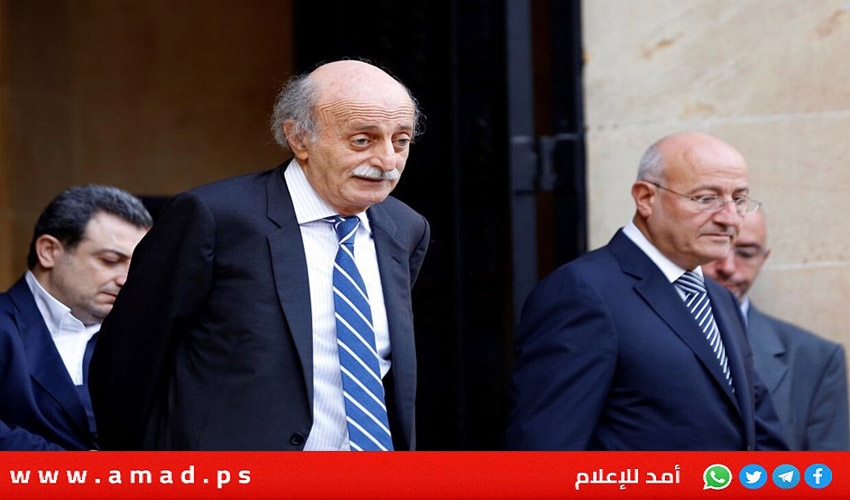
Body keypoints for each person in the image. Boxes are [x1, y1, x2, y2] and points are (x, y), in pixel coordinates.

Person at [89, 60, 430, 451]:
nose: (387, 161)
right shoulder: (213, 219)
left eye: (400, 141)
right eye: (362, 141)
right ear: (299, 138)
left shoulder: (405, 229)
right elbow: (127, 363)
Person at [505, 131, 787, 450]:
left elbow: (756, 432)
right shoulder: (581, 292)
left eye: (738, 199)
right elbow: (546, 451)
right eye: (706, 198)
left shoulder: (720, 298)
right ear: (645, 198)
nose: (729, 218)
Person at [0, 185, 152, 450]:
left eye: (136, 265)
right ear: (49, 251)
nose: (126, 279)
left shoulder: (144, 336)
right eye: (109, 260)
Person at [703, 209, 849, 450]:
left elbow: (827, 471)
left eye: (746, 253)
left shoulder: (817, 359)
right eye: (716, 248)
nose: (727, 266)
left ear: (763, 258)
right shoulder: (644, 339)